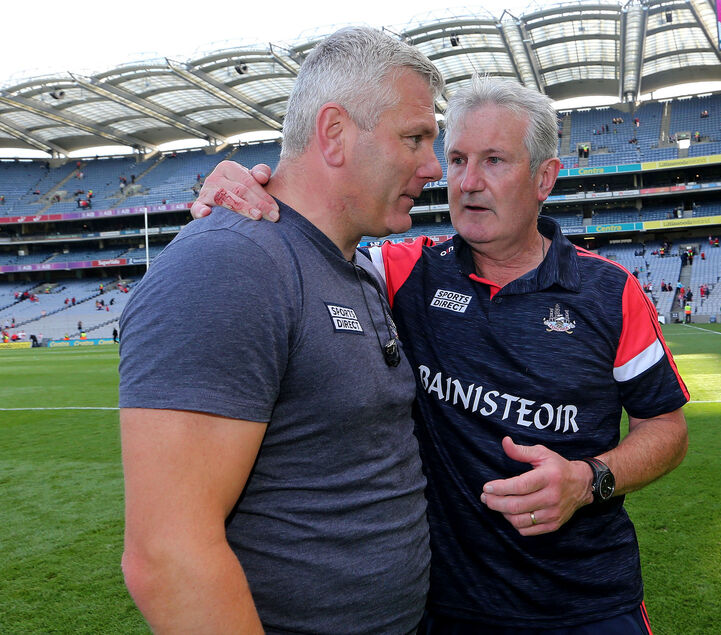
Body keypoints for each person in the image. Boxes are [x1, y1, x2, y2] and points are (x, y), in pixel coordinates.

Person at [193, 75, 689, 632]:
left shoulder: (610, 292)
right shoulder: (404, 273)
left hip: (588, 605)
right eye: (456, 159)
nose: (468, 182)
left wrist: (588, 479)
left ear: (544, 177)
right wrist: (246, 183)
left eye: (495, 160)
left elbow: (666, 427)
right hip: (444, 609)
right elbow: (310, 230)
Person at [118, 27, 443, 634]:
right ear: (335, 133)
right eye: (415, 138)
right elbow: (166, 555)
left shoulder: (357, 268)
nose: (433, 165)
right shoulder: (229, 265)